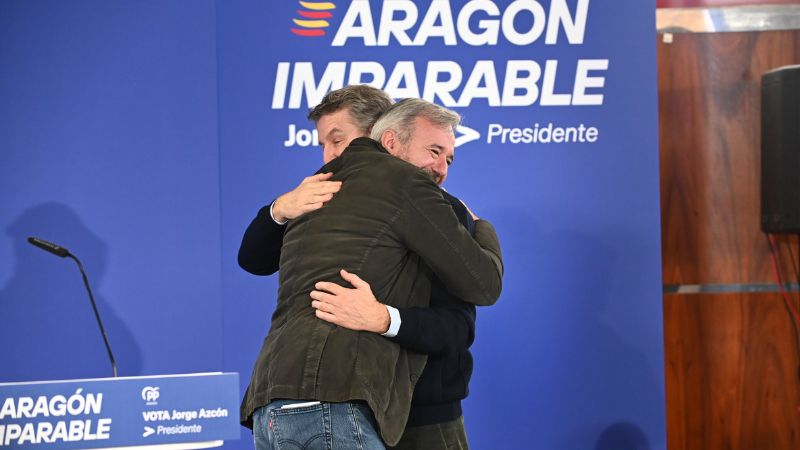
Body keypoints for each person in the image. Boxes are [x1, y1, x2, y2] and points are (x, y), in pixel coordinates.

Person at [239, 88, 503, 449]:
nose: (332, 155)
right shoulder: (315, 196)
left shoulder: (431, 204)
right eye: (325, 144)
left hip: (317, 404)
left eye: (339, 139)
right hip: (343, 401)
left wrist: (386, 318)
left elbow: (458, 323)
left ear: (380, 136)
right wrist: (278, 209)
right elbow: (253, 258)